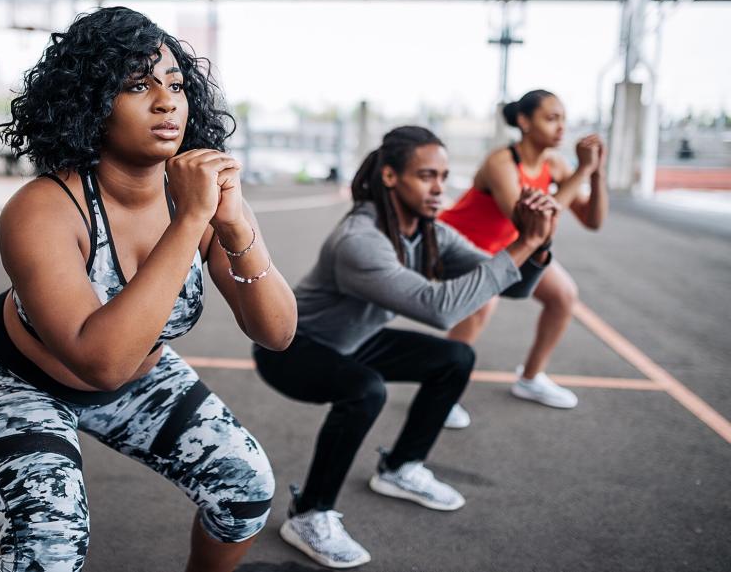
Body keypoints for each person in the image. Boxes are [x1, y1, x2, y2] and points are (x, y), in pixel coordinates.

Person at [0, 6, 297, 572]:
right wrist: (189, 222)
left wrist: (233, 226)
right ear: (91, 104)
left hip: (141, 377)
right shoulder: (43, 210)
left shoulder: (206, 199)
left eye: (176, 85)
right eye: (138, 86)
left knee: (243, 485)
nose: (166, 102)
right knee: (50, 551)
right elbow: (100, 363)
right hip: (16, 381)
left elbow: (277, 332)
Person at [253, 126, 556, 568]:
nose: (439, 188)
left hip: (356, 340)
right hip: (294, 350)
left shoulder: (430, 232)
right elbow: (441, 310)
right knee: (365, 390)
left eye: (444, 176)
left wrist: (540, 240)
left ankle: (400, 468)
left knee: (455, 358)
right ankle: (309, 514)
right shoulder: (360, 240)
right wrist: (522, 242)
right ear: (391, 177)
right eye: (426, 175)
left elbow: (513, 286)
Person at [439, 90, 607, 418]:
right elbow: (529, 219)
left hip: (511, 246)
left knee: (564, 296)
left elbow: (593, 220)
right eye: (551, 118)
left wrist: (597, 172)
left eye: (563, 119)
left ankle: (530, 378)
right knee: (481, 306)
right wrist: (582, 173)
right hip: (462, 244)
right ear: (524, 121)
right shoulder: (501, 162)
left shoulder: (554, 165)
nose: (561, 127)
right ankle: (441, 395)